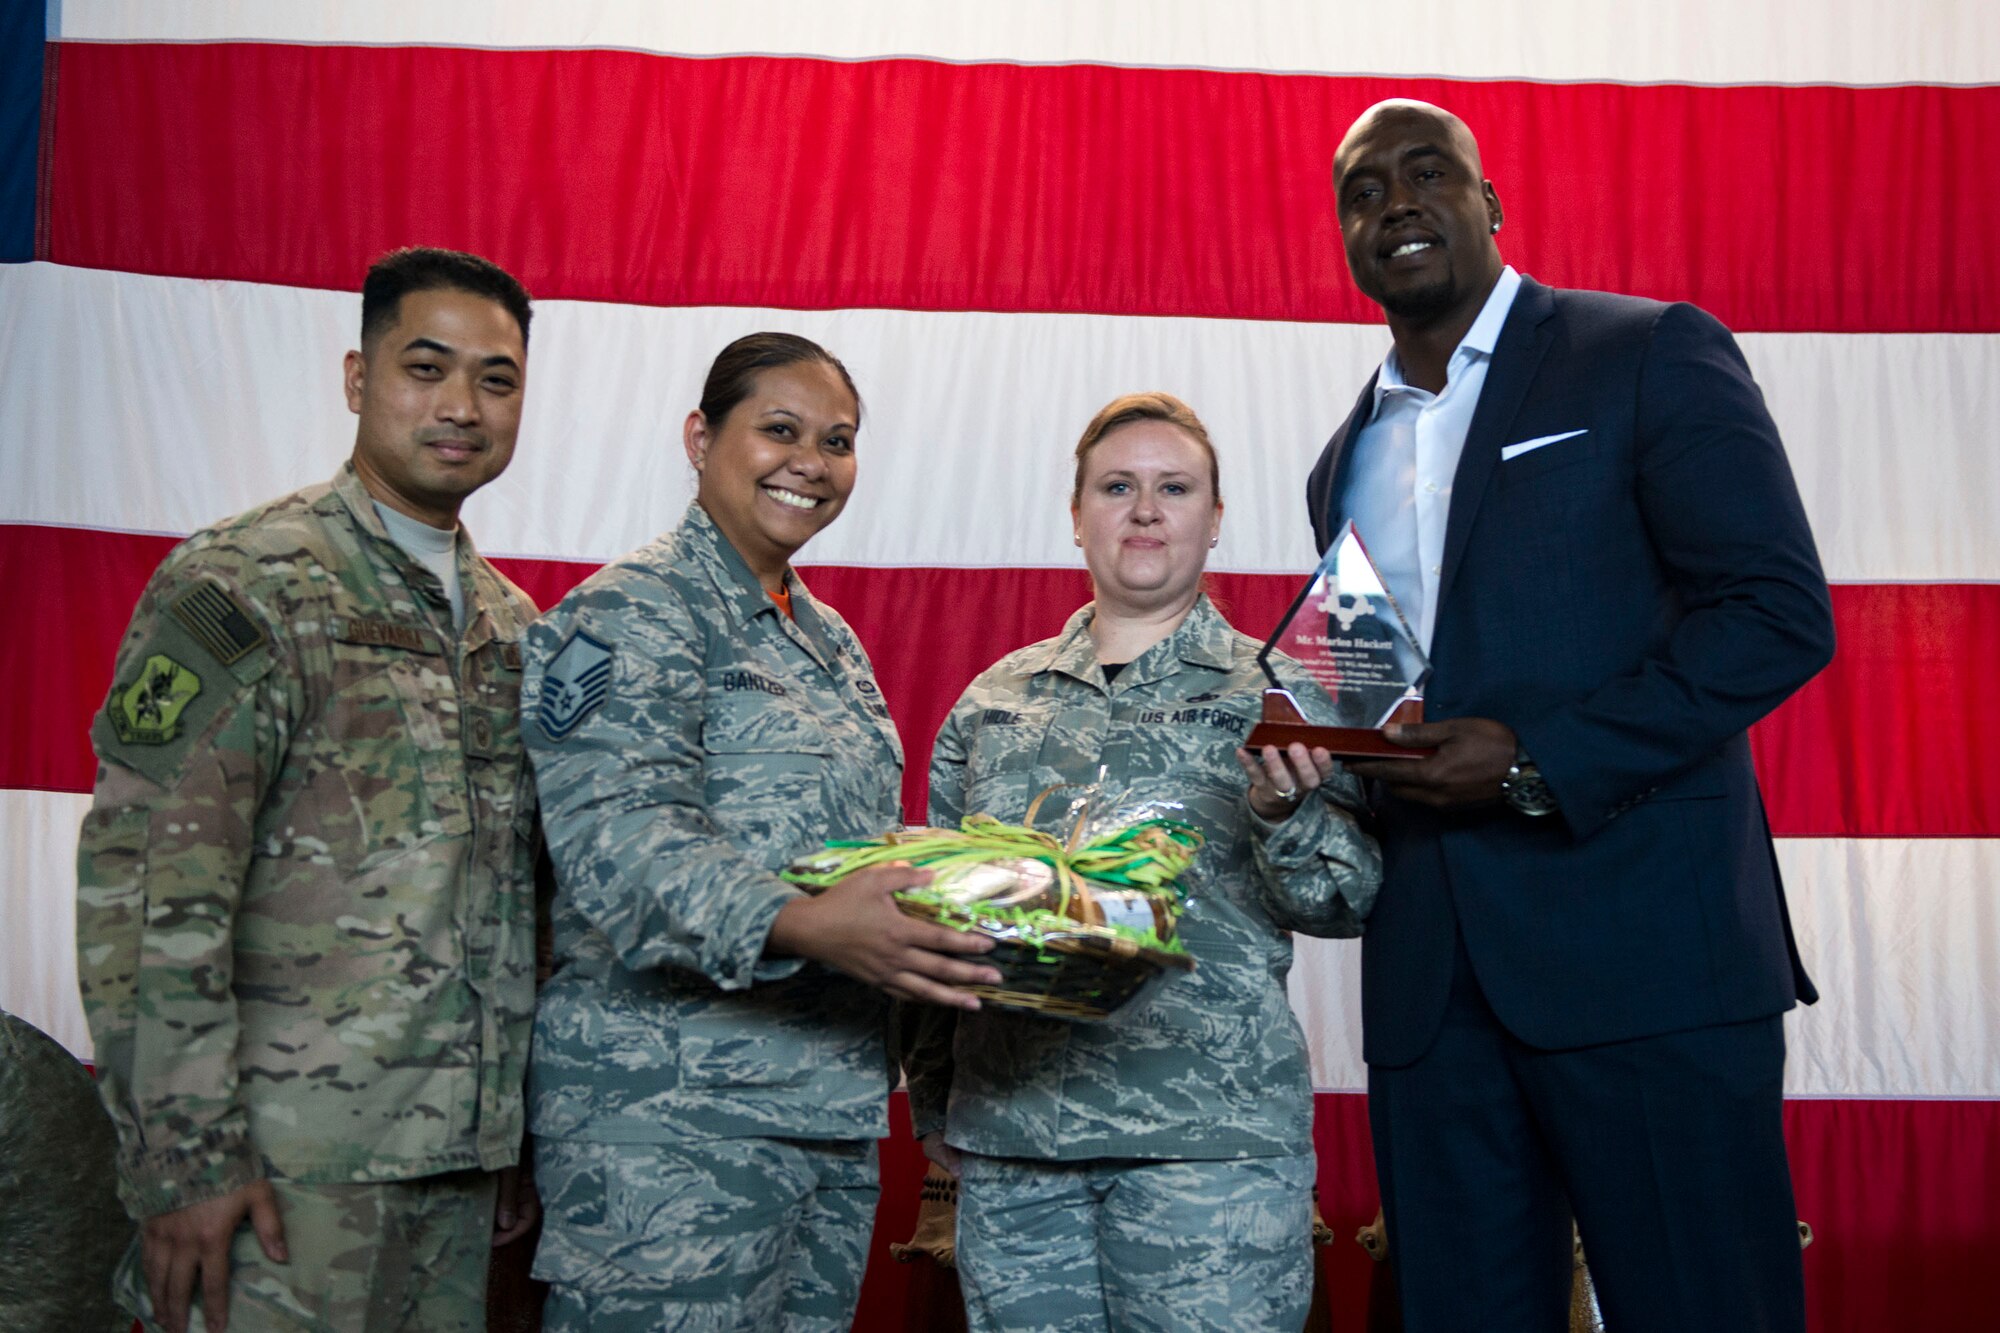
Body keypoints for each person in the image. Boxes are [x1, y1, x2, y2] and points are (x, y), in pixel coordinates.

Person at [1309, 99, 1836, 1332]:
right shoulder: (1341, 458)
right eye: (1360, 189)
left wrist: (1537, 758)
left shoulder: (1644, 350)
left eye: (1425, 172)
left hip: (1645, 952)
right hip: (1431, 990)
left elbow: (1773, 612)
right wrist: (1308, 751)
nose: (1392, 201)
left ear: (1490, 204)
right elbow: (1364, 689)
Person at [76, 247, 546, 1333]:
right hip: (278, 1173)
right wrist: (183, 1158)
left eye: (496, 378)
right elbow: (150, 884)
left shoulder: (509, 628)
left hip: (453, 1171)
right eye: (425, 368)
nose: (460, 406)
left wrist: (503, 1129)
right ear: (355, 378)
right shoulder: (245, 584)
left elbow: (518, 899)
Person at [519, 332, 1001, 1332]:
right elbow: (617, 843)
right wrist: (806, 923)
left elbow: (852, 855)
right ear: (701, 437)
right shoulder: (625, 614)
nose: (810, 462)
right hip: (666, 1128)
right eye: (777, 430)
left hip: (822, 1114)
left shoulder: (829, 641)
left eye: (837, 439)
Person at [907, 392, 1381, 1332]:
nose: (1147, 509)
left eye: (1176, 487)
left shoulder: (1286, 693)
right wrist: (935, 1097)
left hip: (1210, 1150)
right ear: (1076, 515)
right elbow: (933, 919)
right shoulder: (993, 701)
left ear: (1216, 518)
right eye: (1117, 486)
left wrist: (1278, 807)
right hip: (1015, 1140)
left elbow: (1344, 897)